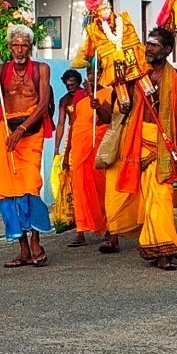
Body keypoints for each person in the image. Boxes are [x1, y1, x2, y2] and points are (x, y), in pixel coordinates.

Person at [98, 27, 177, 271]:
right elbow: (120, 108)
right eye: (148, 43)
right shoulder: (135, 75)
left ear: (167, 50)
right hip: (134, 141)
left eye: (155, 45)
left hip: (162, 143)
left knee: (161, 198)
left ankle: (165, 250)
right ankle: (154, 244)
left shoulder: (176, 78)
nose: (149, 48)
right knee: (138, 200)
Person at [0, 24, 54, 268]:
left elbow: (43, 104)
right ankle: (23, 249)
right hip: (6, 131)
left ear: (31, 47)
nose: (19, 49)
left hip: (30, 132)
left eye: (24, 44)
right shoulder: (2, 69)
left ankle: (36, 242)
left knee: (30, 186)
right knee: (8, 191)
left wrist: (22, 129)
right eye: (15, 44)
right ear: (9, 47)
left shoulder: (42, 69)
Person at [65, 67, 110, 247]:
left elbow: (106, 120)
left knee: (100, 189)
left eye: (96, 74)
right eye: (90, 74)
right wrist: (66, 151)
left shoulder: (109, 93)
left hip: (97, 149)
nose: (93, 77)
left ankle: (107, 228)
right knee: (79, 191)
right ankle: (80, 231)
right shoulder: (79, 99)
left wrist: (96, 102)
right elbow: (74, 125)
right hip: (79, 149)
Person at [53, 70, 85, 157]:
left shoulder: (86, 95)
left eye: (72, 85)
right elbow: (60, 124)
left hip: (86, 132)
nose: (70, 87)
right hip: (71, 133)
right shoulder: (64, 100)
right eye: (67, 85)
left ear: (79, 83)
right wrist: (56, 148)